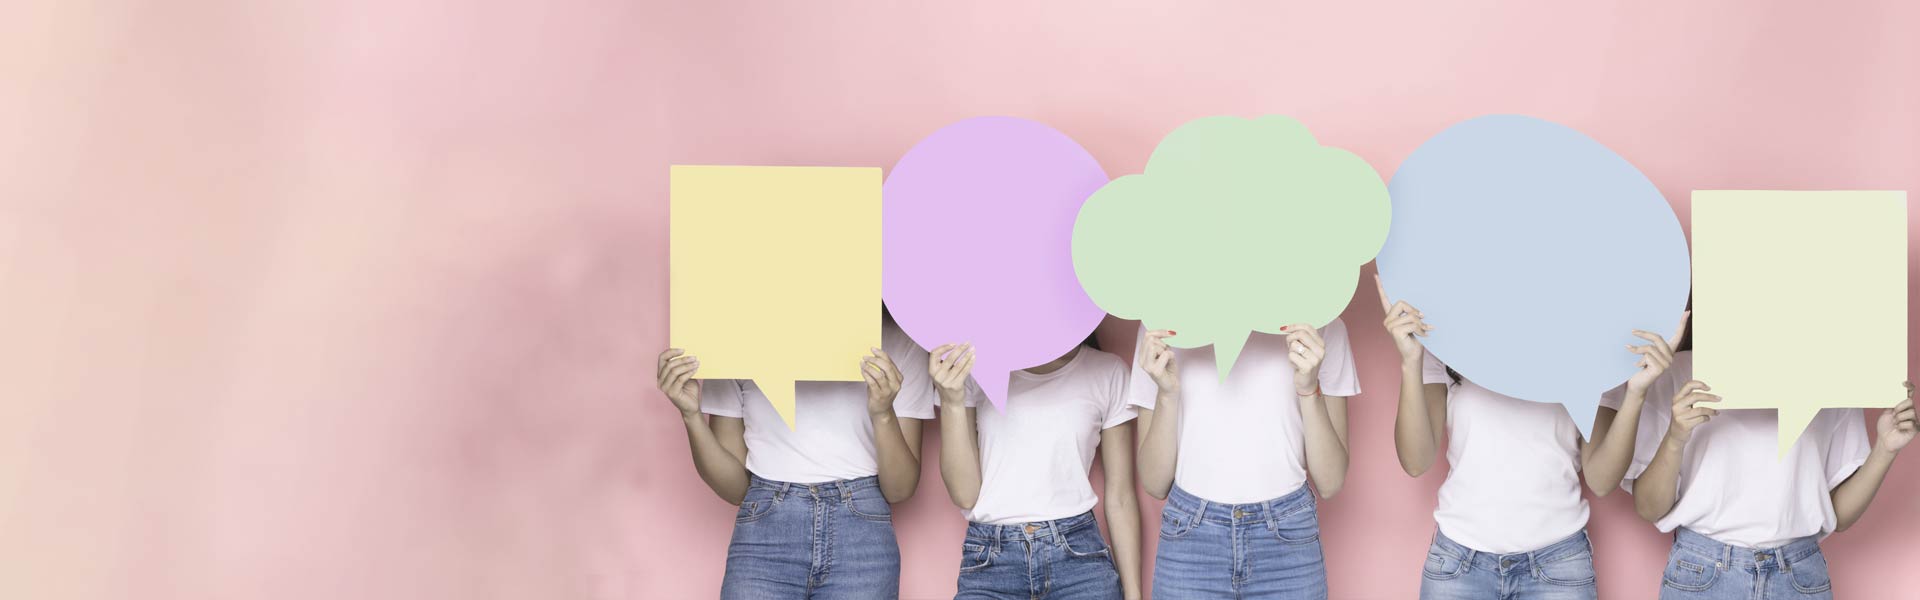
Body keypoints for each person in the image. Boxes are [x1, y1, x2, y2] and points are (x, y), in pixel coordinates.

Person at [1587, 317, 1916, 600]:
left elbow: (1837, 515)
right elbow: (1648, 508)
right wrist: (1676, 435)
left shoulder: (1831, 376)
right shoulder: (1675, 371)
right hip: (1702, 573)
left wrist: (1885, 449)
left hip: (1800, 575)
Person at [1379, 275, 1628, 600]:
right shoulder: (1447, 338)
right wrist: (1411, 362)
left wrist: (1635, 394)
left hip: (1558, 566)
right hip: (1458, 563)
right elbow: (1415, 461)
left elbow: (1601, 478)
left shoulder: (1594, 347)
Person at [654, 314, 934, 600]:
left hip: (862, 537)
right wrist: (691, 416)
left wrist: (883, 412)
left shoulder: (900, 342)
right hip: (764, 534)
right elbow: (734, 488)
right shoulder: (735, 339)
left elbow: (900, 489)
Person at [1131, 314, 1359, 599]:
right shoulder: (1160, 321)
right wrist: (1167, 394)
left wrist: (1309, 389)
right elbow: (1154, 482)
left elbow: (1331, 481)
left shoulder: (1321, 321)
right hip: (1190, 541)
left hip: (1287, 537)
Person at [932, 336, 1142, 599]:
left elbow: (1121, 497)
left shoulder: (1107, 371)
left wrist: (1134, 593)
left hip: (1078, 557)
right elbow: (964, 495)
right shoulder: (975, 366)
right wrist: (951, 401)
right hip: (990, 561)